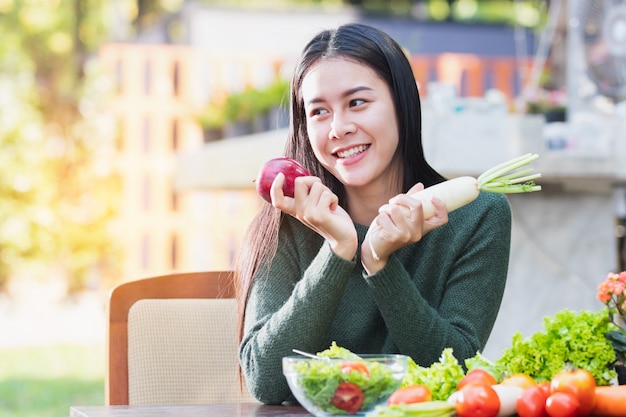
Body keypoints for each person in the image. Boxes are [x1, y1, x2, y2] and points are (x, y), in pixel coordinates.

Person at [235, 22, 511, 405]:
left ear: (403, 102)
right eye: (318, 111)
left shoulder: (478, 217)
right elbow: (266, 381)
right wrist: (338, 251)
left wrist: (379, 262)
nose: (339, 128)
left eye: (357, 102)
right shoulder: (288, 220)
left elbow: (456, 373)